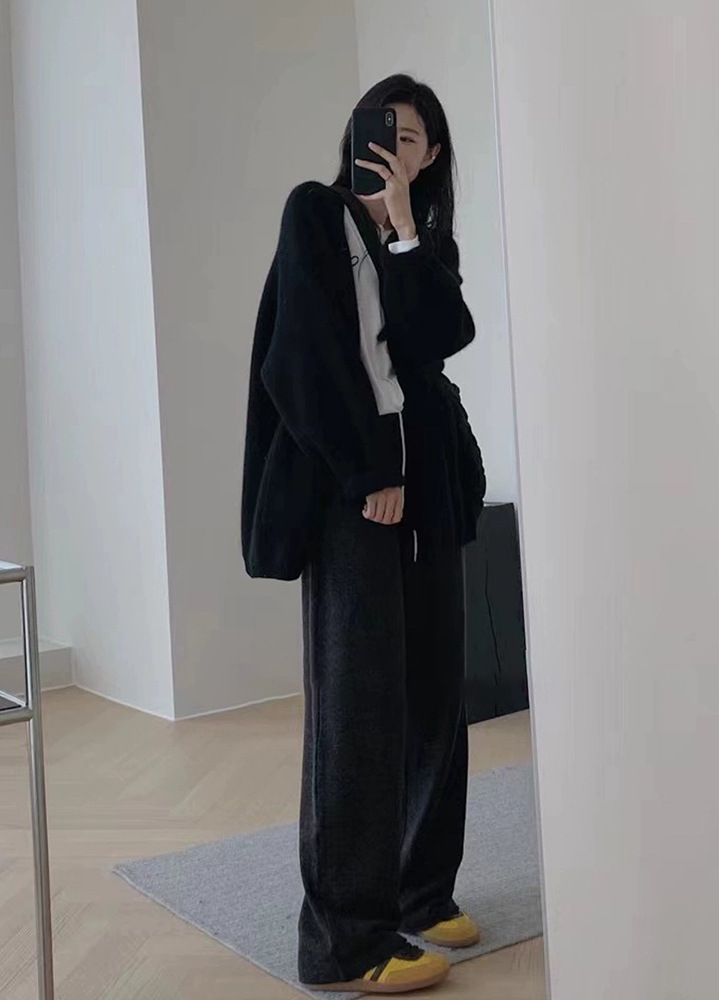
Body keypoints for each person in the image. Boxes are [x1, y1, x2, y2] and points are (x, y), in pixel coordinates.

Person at [241, 73, 487, 994]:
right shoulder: (316, 215)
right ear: (357, 136)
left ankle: (421, 893)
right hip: (359, 500)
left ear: (433, 158)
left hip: (431, 498)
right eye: (387, 132)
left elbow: (442, 337)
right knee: (358, 708)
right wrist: (368, 471)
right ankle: (347, 940)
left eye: (415, 140)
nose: (398, 150)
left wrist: (408, 233)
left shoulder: (426, 243)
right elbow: (300, 361)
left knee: (435, 699)